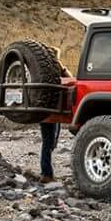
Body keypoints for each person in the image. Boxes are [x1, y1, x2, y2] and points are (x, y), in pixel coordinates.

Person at [39, 48, 72, 184]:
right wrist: (61, 65)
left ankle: (46, 172)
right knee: (48, 142)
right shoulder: (54, 70)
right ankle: (46, 174)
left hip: (48, 113)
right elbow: (70, 78)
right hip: (51, 113)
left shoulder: (41, 70)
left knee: (50, 142)